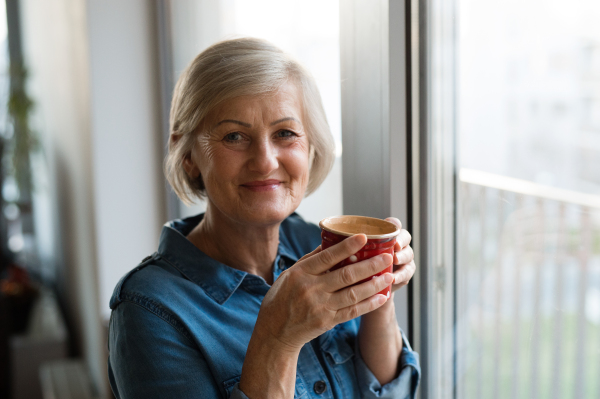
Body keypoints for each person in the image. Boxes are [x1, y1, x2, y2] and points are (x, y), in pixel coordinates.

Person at [108, 37, 420, 399]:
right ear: (189, 155)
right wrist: (277, 339)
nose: (265, 161)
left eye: (285, 133)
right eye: (235, 136)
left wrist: (378, 291)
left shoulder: (319, 246)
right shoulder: (149, 310)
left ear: (311, 146)